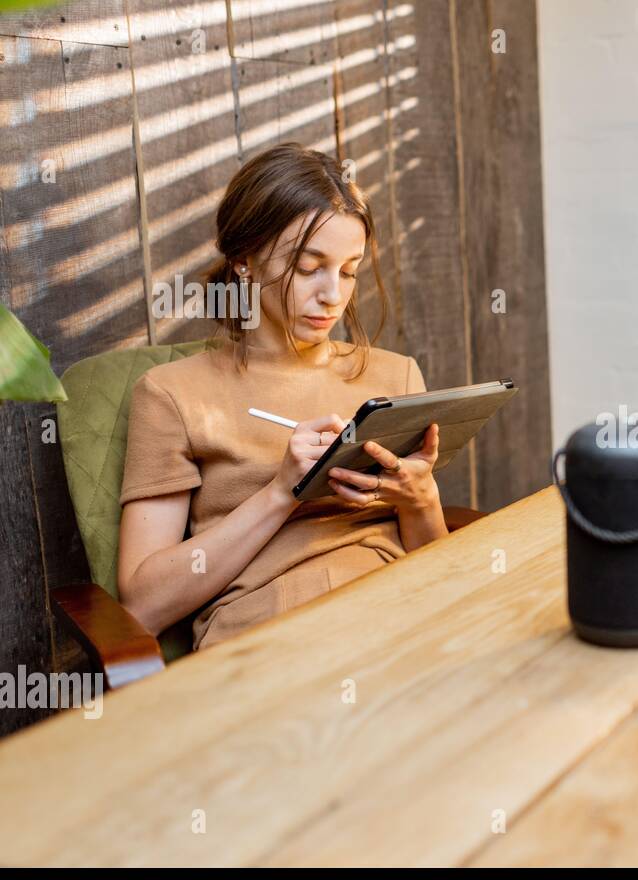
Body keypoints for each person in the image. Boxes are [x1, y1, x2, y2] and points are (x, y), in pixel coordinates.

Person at [117, 143, 449, 650]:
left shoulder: (395, 376)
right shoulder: (172, 395)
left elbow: (439, 571)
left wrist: (419, 497)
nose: (333, 295)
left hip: (404, 617)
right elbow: (143, 606)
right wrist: (282, 492)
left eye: (348, 270)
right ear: (245, 261)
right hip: (270, 635)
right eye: (307, 266)